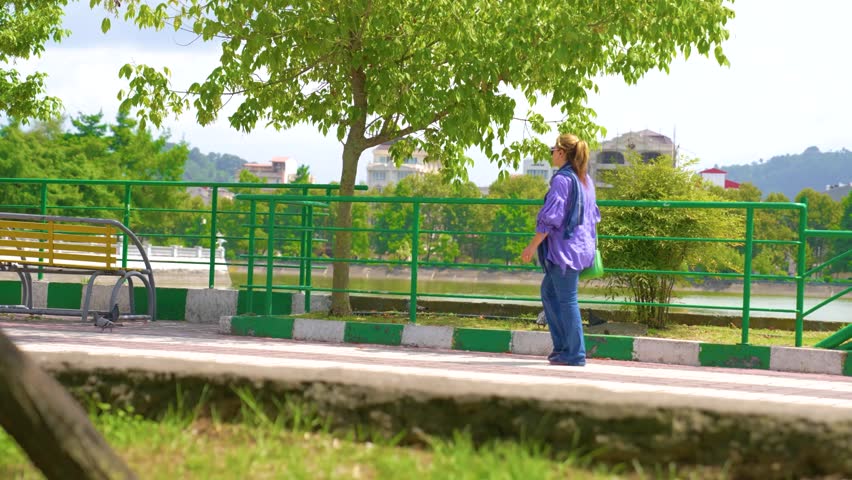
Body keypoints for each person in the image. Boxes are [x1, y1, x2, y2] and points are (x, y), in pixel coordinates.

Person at [521, 133, 600, 366]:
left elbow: (550, 218)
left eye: (552, 150)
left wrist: (531, 247)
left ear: (562, 152)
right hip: (579, 247)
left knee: (567, 300)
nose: (551, 154)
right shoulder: (585, 180)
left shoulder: (562, 180)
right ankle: (563, 348)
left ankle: (574, 354)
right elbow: (592, 217)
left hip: (564, 252)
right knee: (549, 292)